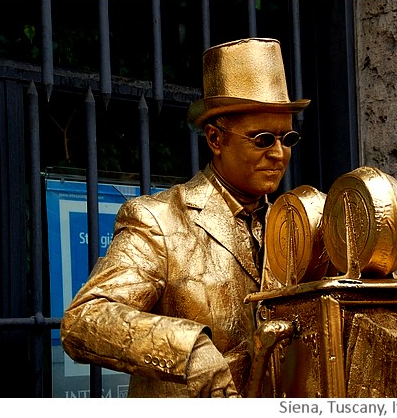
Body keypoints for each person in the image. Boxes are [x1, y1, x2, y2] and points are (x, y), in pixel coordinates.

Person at [60, 38, 310, 397]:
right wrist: (188, 349)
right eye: (262, 139)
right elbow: (84, 320)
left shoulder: (293, 226)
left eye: (287, 138)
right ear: (215, 139)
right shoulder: (158, 220)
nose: (278, 154)